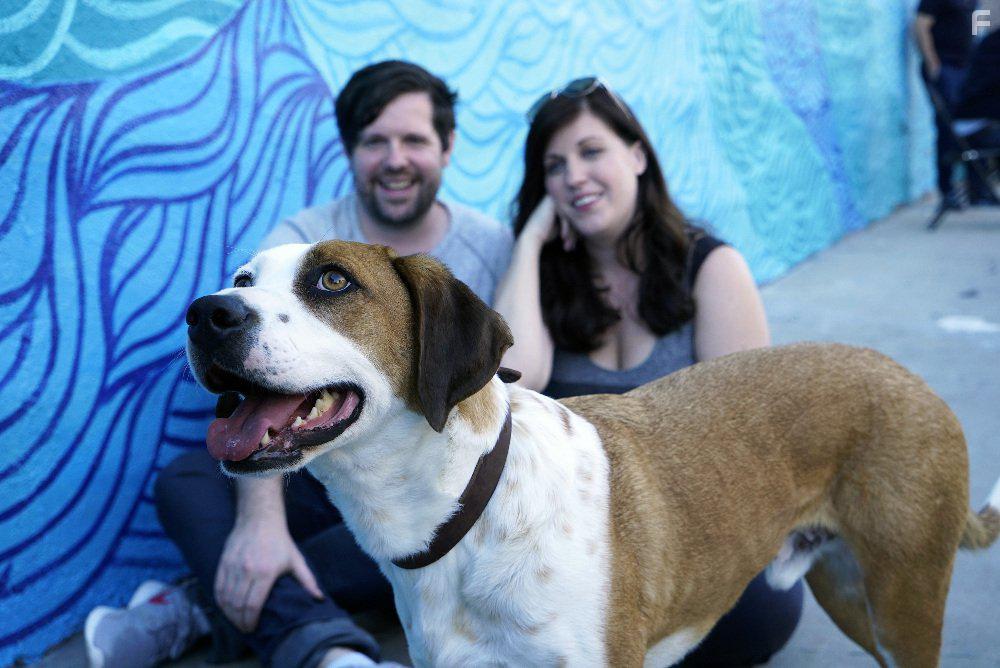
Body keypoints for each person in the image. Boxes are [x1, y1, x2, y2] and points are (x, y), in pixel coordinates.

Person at [84, 60, 512, 668]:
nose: (394, 158)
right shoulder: (299, 240)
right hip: (314, 467)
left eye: (414, 139)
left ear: (446, 148)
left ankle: (212, 610)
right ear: (351, 150)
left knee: (401, 522)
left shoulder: (491, 244)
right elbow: (263, 378)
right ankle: (305, 629)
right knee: (188, 481)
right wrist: (262, 524)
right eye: (374, 141)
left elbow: (522, 368)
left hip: (433, 470)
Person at [493, 77, 803, 665]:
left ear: (637, 155)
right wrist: (531, 244)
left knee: (759, 615)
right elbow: (514, 382)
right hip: (574, 546)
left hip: (698, 538)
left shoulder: (710, 267)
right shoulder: (545, 281)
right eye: (554, 166)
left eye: (591, 152)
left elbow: (749, 442)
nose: (574, 177)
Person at [914, 0, 980, 208]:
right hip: (945, 67)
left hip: (967, 69)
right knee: (948, 127)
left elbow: (979, 24)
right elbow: (921, 24)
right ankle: (947, 191)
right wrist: (933, 62)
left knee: (973, 126)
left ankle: (977, 189)